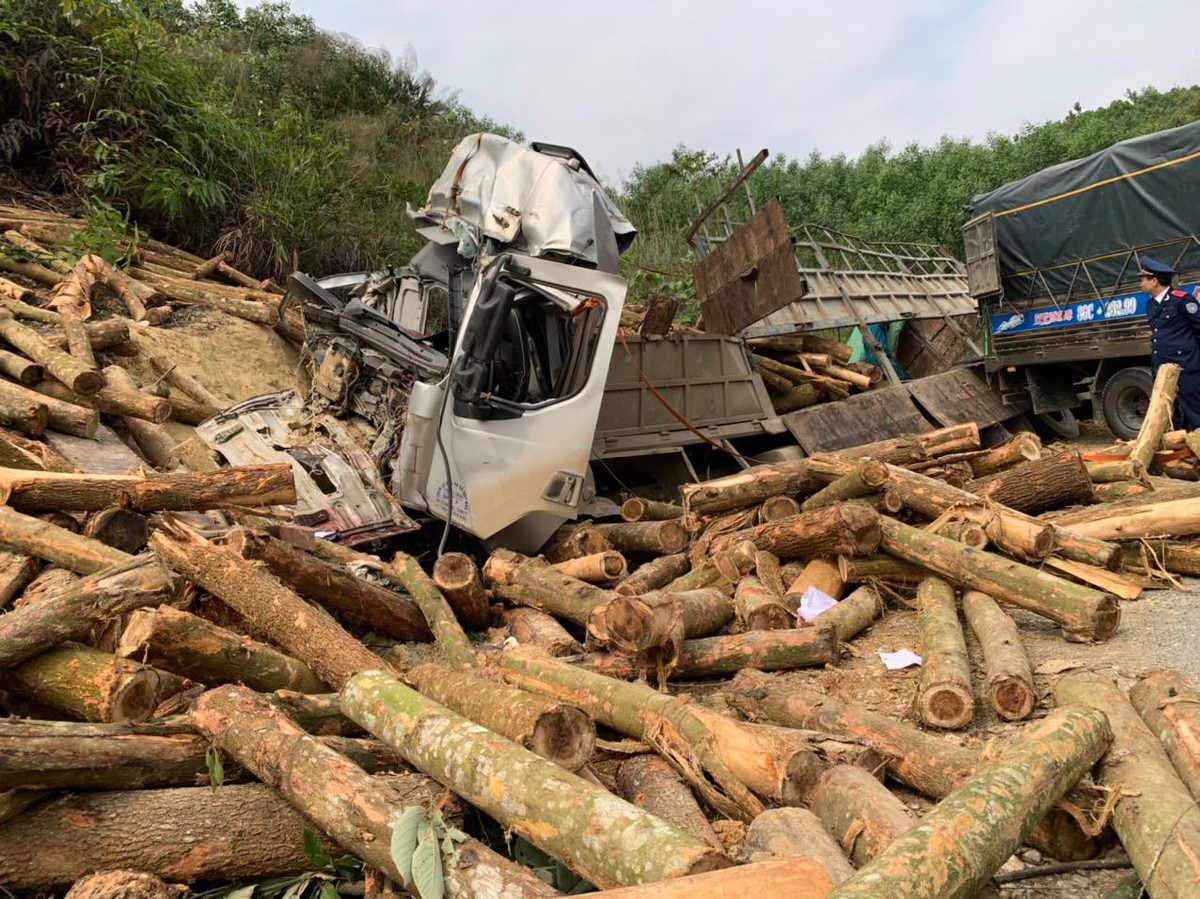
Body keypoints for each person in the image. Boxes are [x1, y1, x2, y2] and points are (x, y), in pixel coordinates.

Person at [1142, 255, 1200, 429]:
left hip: (1185, 366)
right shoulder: (1151, 305)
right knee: (1168, 409)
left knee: (1193, 408)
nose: (1141, 283)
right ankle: (1179, 449)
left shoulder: (1182, 300)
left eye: (1144, 279)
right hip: (1161, 366)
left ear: (1154, 281)